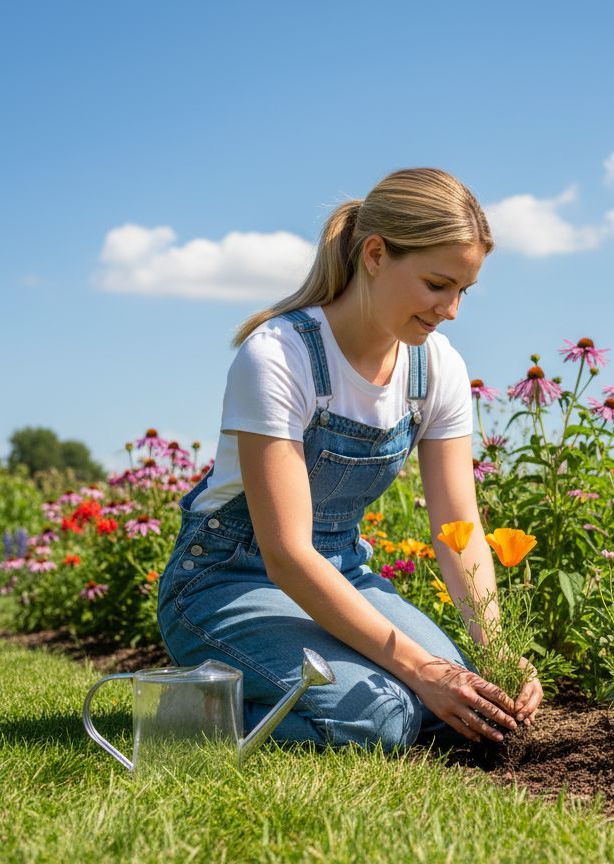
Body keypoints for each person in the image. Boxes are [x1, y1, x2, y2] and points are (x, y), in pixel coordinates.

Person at [156, 167, 543, 751]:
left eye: (464, 290)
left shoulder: (436, 369)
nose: (452, 309)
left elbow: (456, 530)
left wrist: (492, 649)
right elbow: (285, 556)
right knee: (378, 719)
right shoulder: (280, 356)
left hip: (343, 576)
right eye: (438, 284)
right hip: (229, 579)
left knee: (465, 700)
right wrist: (420, 669)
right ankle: (190, 711)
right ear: (376, 254)